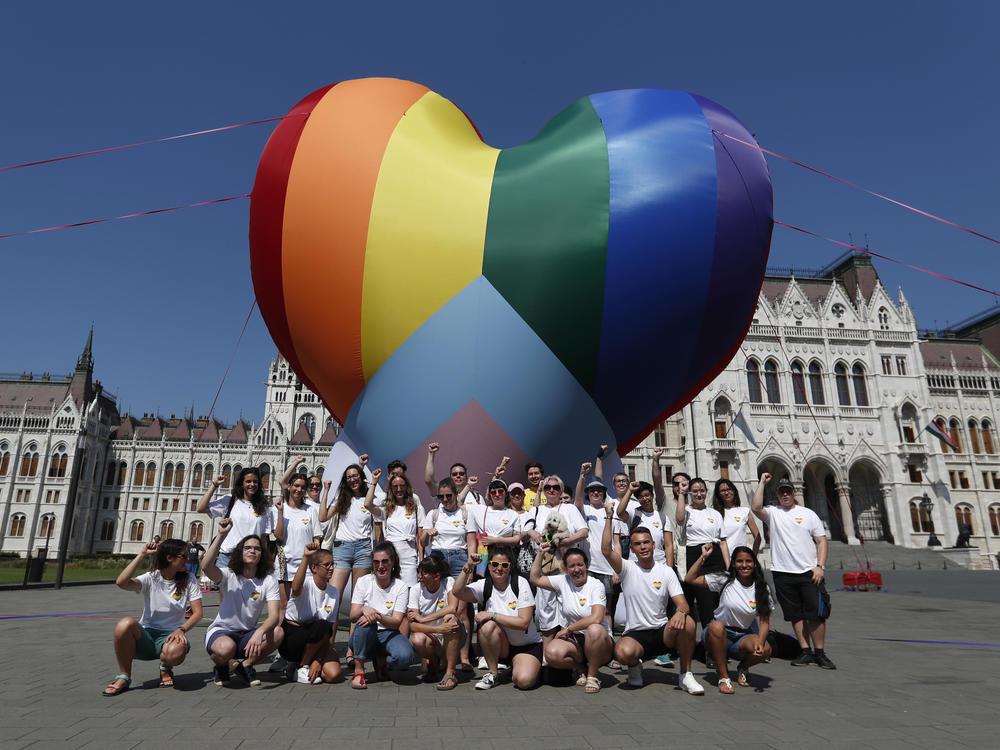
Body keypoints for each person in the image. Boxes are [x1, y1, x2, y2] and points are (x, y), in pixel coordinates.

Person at [601, 504, 704, 694]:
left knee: (688, 622)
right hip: (636, 634)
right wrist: (608, 518)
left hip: (662, 632)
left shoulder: (665, 571)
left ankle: (686, 675)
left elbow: (683, 604)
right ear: (631, 548)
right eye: (638, 544)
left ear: (654, 544)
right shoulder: (627, 568)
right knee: (622, 653)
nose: (643, 547)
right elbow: (606, 550)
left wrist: (681, 612)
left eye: (646, 542)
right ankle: (635, 667)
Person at [751, 474, 835, 669]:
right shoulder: (773, 512)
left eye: (788, 491)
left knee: (816, 614)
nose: (785, 494)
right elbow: (755, 508)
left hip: (809, 572)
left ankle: (820, 653)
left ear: (794, 492)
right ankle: (805, 650)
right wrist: (762, 483)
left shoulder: (808, 514)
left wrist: (820, 566)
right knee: (795, 614)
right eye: (782, 492)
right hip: (783, 573)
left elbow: (821, 540)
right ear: (778, 495)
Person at [102, 539, 203, 696]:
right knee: (124, 624)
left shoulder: (189, 579)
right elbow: (122, 582)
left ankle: (165, 666)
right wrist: (142, 555)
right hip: (147, 635)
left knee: (174, 652)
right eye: (184, 555)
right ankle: (124, 676)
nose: (188, 559)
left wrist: (181, 629)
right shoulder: (152, 577)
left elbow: (198, 613)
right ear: (170, 558)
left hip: (171, 636)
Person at [203, 520, 284, 687]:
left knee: (278, 632)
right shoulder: (228, 575)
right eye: (248, 548)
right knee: (226, 648)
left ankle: (246, 665)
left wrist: (259, 632)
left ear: (262, 554)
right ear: (240, 552)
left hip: (247, 635)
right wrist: (221, 535)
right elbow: (205, 566)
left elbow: (274, 615)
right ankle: (221, 665)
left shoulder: (268, 580)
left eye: (257, 548)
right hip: (222, 632)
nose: (252, 551)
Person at [452, 545, 542, 690]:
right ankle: (493, 673)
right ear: (488, 566)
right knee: (487, 626)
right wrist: (468, 566)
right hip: (502, 646)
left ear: (510, 567)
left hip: (526, 646)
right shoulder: (485, 585)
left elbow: (524, 623)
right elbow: (457, 592)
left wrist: (492, 615)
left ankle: (524, 667)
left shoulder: (520, 583)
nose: (499, 568)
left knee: (524, 681)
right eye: (495, 564)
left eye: (504, 565)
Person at [686, 543, 773, 693]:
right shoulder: (724, 580)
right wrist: (703, 557)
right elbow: (690, 578)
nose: (744, 565)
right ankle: (723, 677)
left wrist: (760, 641)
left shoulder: (762, 588)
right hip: (716, 634)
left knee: (765, 649)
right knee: (716, 626)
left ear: (754, 563)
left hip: (742, 637)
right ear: (733, 563)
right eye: (739, 561)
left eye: (748, 561)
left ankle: (743, 668)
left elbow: (764, 621)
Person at [528, 543, 613, 693]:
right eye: (572, 566)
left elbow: (597, 618)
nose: (576, 569)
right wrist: (540, 554)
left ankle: (593, 676)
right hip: (576, 640)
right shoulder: (563, 581)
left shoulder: (596, 585)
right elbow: (534, 579)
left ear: (586, 565)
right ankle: (580, 667)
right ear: (566, 569)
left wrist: (569, 628)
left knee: (594, 629)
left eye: (580, 564)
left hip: (600, 641)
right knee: (551, 653)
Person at [520, 476, 588, 640]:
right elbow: (524, 530)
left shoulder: (570, 509)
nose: (551, 490)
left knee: (569, 604)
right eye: (548, 487)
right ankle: (547, 652)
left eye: (556, 487)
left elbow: (584, 531)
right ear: (543, 490)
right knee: (547, 607)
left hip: (567, 566)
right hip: (546, 566)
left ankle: (569, 647)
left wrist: (566, 541)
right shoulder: (537, 510)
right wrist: (533, 533)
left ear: (561, 490)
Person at [421, 477, 476, 668]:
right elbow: (422, 542)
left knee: (461, 611)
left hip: (460, 558)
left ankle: (464, 656)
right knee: (438, 607)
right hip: (438, 558)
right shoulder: (434, 514)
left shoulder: (465, 514)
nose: (445, 500)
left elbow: (471, 542)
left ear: (455, 494)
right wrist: (428, 533)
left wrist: (471, 566)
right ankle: (440, 655)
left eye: (448, 496)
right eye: (441, 496)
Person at [347, 542, 415, 689]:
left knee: (406, 658)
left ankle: (382, 660)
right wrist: (365, 609)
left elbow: (396, 622)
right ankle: (359, 671)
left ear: (393, 562)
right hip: (364, 634)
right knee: (365, 623)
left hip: (389, 632)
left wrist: (376, 615)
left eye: (385, 561)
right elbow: (353, 616)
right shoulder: (363, 582)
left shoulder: (400, 586)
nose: (380, 566)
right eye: (376, 562)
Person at [279, 542, 343, 684]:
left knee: (334, 675)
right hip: (292, 637)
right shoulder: (306, 583)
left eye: (333, 564)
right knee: (321, 625)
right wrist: (306, 557)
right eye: (327, 565)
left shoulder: (333, 593)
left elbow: (330, 629)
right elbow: (295, 589)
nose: (331, 568)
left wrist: (319, 660)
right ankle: (301, 666)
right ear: (314, 568)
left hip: (314, 638)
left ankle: (305, 664)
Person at [573, 463, 626, 633]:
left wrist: (617, 569)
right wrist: (582, 475)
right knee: (587, 609)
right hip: (588, 568)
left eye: (599, 490)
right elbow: (578, 497)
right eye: (592, 491)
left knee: (607, 609)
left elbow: (616, 543)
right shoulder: (584, 510)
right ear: (589, 494)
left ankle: (608, 641)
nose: (596, 493)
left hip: (607, 569)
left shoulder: (612, 513)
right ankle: (589, 641)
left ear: (604, 494)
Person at [197, 467, 282, 572]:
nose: (252, 484)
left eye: (255, 481)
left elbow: (263, 538)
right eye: (248, 481)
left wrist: (266, 562)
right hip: (228, 557)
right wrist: (214, 485)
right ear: (242, 483)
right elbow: (201, 508)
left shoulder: (264, 508)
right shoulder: (230, 500)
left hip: (252, 559)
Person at [675, 476, 728, 635]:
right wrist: (681, 494)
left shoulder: (715, 514)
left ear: (706, 492)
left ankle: (712, 646)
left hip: (714, 557)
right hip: (694, 556)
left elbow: (723, 542)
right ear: (690, 492)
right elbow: (679, 519)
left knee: (710, 604)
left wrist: (728, 565)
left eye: (702, 491)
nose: (699, 494)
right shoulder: (686, 510)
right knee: (691, 602)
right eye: (695, 491)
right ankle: (686, 643)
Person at [407, 556, 463, 690]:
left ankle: (450, 673)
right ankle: (434, 661)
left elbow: (452, 607)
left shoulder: (448, 581)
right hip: (432, 635)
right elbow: (412, 625)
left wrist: (423, 619)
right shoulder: (416, 590)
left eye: (424, 573)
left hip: (452, 634)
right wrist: (438, 629)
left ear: (436, 576)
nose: (419, 576)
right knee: (417, 639)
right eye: (418, 572)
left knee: (450, 618)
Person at [375, 471, 425, 586]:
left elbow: (420, 537)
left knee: (410, 589)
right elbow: (368, 504)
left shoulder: (417, 508)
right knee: (391, 590)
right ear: (391, 489)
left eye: (402, 486)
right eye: (395, 486)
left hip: (409, 555)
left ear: (407, 487)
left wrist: (421, 561)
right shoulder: (386, 508)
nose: (399, 489)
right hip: (391, 555)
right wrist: (374, 482)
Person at [617, 480, 674, 566]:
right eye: (641, 497)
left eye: (647, 495)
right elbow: (620, 513)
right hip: (636, 565)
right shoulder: (634, 514)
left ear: (652, 496)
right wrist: (629, 491)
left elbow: (669, 545)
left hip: (659, 564)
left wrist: (669, 568)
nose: (644, 499)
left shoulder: (663, 517)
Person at [713, 478, 762, 557]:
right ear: (718, 494)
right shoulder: (715, 513)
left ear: (734, 491)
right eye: (722, 490)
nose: (726, 492)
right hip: (720, 558)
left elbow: (757, 536)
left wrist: (753, 557)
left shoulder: (745, 511)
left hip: (739, 559)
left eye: (729, 489)